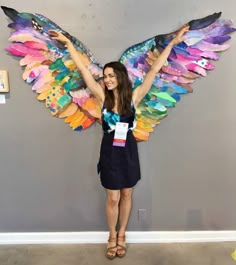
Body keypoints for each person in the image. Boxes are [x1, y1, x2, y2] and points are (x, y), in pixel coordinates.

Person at [49, 26, 189, 259]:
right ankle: (111, 236)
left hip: (128, 152)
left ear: (120, 77)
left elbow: (154, 69)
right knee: (112, 196)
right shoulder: (102, 98)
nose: (107, 79)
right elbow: (84, 70)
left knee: (126, 195)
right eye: (105, 76)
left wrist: (173, 43)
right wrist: (68, 44)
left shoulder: (134, 97)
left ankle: (122, 234)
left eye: (112, 76)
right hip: (110, 152)